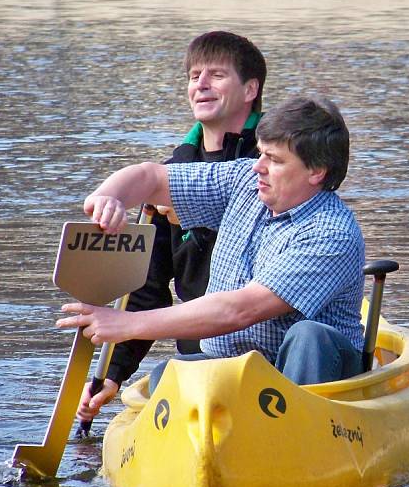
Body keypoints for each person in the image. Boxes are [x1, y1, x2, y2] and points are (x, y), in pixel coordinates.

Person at [59, 96, 366, 421]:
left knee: (309, 336)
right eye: (260, 153)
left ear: (316, 172)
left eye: (274, 160)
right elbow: (150, 177)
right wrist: (107, 198)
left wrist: (128, 325)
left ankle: (294, 439)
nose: (258, 166)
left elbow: (240, 309)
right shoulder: (244, 182)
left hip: (319, 379)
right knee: (171, 373)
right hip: (239, 369)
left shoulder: (332, 232)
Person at [74, 31, 267, 422]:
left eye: (216, 74)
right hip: (200, 354)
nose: (201, 84)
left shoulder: (275, 163)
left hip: (268, 350)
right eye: (194, 75)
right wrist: (113, 374)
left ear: (250, 89)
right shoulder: (171, 174)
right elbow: (147, 291)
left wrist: (202, 222)